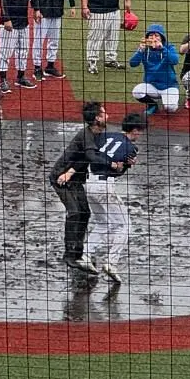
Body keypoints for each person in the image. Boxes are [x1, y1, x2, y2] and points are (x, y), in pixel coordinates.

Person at [83, 112, 147, 284]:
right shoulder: (131, 149)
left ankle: (85, 253)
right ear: (135, 130)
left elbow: (92, 154)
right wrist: (124, 165)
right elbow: (118, 171)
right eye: (140, 131)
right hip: (105, 187)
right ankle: (112, 263)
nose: (140, 134)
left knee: (103, 223)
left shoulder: (105, 135)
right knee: (125, 225)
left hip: (88, 184)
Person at [49, 103, 111, 274]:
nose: (108, 116)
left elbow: (85, 157)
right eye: (104, 113)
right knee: (75, 212)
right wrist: (110, 163)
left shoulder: (97, 134)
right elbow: (90, 156)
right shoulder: (86, 135)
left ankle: (78, 250)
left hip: (73, 178)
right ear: (97, 118)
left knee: (85, 213)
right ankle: (70, 255)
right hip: (61, 178)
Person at [129, 24, 180, 114]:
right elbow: (132, 64)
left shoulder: (169, 47)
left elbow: (175, 60)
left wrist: (162, 49)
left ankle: (170, 100)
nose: (154, 38)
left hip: (169, 86)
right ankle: (152, 105)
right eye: (151, 35)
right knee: (137, 91)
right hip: (152, 86)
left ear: (162, 38)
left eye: (157, 35)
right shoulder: (145, 49)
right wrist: (140, 51)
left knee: (170, 108)